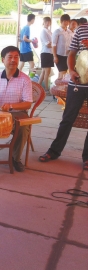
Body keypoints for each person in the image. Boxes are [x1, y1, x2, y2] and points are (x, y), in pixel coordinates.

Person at [39, 22, 88, 170]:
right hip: (78, 80)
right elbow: (71, 53)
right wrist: (72, 71)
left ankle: (87, 158)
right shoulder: (82, 29)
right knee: (67, 118)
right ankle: (54, 151)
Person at [52, 14, 72, 79]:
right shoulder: (57, 31)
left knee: (65, 73)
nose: (66, 23)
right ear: (61, 21)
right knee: (62, 73)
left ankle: (58, 87)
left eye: (67, 21)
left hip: (67, 55)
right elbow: (53, 44)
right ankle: (59, 88)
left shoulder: (69, 32)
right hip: (59, 55)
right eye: (64, 21)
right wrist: (55, 56)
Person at [38, 17, 54, 94]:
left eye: (49, 22)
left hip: (49, 53)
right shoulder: (43, 31)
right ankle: (46, 89)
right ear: (43, 22)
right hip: (45, 53)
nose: (47, 23)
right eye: (46, 22)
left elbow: (52, 42)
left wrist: (53, 45)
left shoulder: (49, 31)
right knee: (46, 72)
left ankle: (37, 87)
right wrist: (55, 46)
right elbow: (48, 44)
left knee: (44, 72)